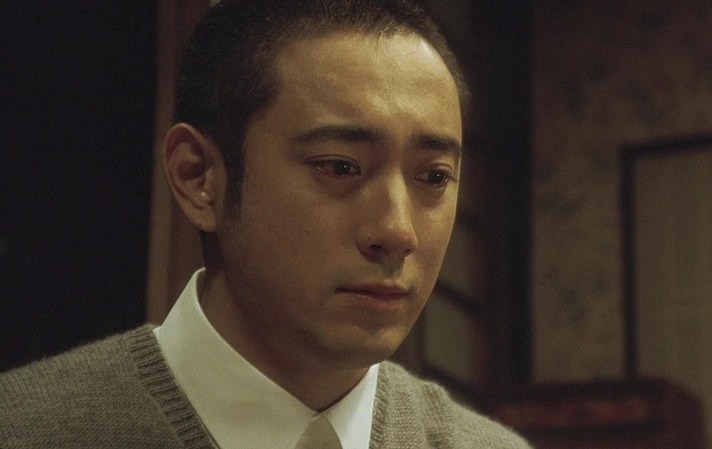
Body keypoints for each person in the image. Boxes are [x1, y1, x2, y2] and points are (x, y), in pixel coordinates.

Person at [0, 1, 531, 448]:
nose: (397, 232)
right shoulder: (26, 429)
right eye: (340, 167)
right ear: (199, 176)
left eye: (434, 177)